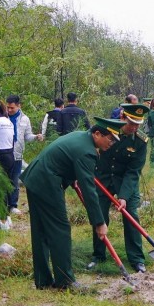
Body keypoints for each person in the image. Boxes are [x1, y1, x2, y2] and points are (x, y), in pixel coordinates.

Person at [21, 120, 118, 290]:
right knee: (61, 230)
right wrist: (99, 222)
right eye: (110, 139)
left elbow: (66, 161)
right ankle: (65, 282)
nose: (111, 143)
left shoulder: (81, 136)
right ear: (97, 134)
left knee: (41, 231)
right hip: (46, 182)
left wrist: (71, 178)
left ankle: (43, 281)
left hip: (35, 178)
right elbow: (89, 190)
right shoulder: (87, 151)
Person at [92, 104, 149, 273]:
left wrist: (123, 196)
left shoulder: (140, 141)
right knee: (99, 216)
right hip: (103, 178)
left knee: (131, 217)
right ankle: (98, 256)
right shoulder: (107, 129)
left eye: (137, 124)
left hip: (126, 181)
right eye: (131, 122)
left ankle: (137, 259)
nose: (134, 127)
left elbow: (133, 171)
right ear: (123, 117)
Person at [6, 94, 35, 215]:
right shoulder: (3, 117)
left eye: (12, 107)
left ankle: (13, 205)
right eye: (8, 107)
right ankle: (2, 205)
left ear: (19, 106)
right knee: (3, 179)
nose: (9, 110)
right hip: (4, 153)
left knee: (14, 180)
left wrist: (35, 137)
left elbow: (27, 136)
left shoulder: (25, 119)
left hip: (17, 155)